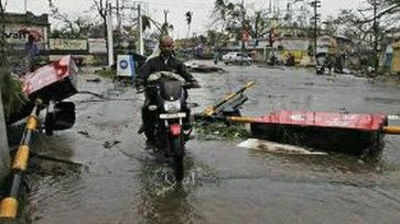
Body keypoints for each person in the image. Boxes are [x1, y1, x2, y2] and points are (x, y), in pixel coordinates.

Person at [135, 35, 200, 146]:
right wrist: (140, 83)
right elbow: (142, 74)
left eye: (169, 46)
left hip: (175, 94)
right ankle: (149, 135)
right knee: (146, 108)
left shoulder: (177, 62)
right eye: (164, 46)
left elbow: (186, 74)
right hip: (156, 95)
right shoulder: (152, 62)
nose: (167, 48)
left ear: (173, 46)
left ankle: (186, 125)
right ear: (160, 47)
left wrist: (193, 81)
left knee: (186, 105)